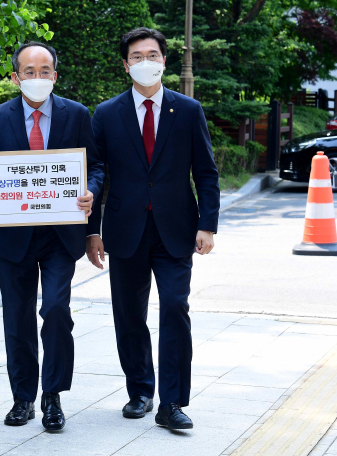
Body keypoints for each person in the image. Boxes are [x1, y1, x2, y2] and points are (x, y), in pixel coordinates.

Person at [86, 28, 220, 430]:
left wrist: (207, 225)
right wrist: (93, 231)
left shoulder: (189, 110)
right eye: (137, 56)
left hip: (176, 228)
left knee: (176, 307)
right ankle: (140, 391)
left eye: (153, 55)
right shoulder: (107, 113)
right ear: (126, 64)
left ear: (164, 60)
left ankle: (172, 402)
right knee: (129, 314)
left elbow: (207, 173)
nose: (146, 62)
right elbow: (96, 175)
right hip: (125, 229)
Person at [0, 42, 104, 431]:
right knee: (17, 318)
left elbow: (94, 166)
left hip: (61, 235)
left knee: (57, 312)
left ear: (55, 76)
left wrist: (91, 191)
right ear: (15, 77)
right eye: (28, 71)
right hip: (15, 234)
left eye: (44, 71)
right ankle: (23, 398)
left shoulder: (77, 115)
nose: (37, 78)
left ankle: (53, 396)